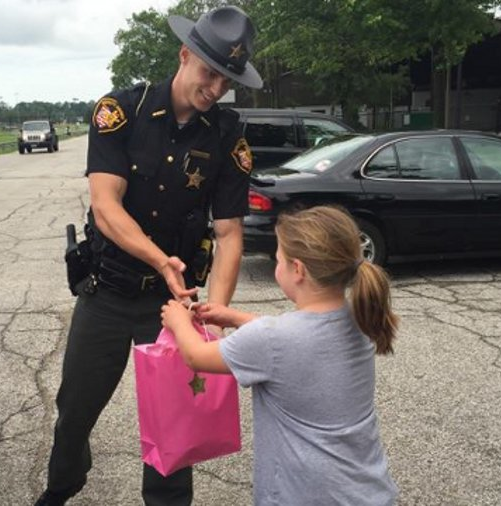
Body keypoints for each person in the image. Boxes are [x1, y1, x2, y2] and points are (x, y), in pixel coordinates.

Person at [35, 5, 263, 506]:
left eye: (227, 80)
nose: (217, 88)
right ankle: (61, 487)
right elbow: (105, 205)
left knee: (175, 423)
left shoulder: (228, 137)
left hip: (172, 309)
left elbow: (229, 236)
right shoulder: (123, 112)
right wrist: (160, 258)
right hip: (108, 294)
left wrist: (215, 313)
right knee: (74, 411)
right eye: (210, 73)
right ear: (185, 55)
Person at [161, 205, 400, 506]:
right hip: (366, 491)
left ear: (297, 270)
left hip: (301, 495)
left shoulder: (272, 339)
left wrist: (178, 320)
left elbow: (196, 356)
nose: (277, 267)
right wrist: (235, 317)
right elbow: (293, 339)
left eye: (278, 260)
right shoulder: (362, 318)